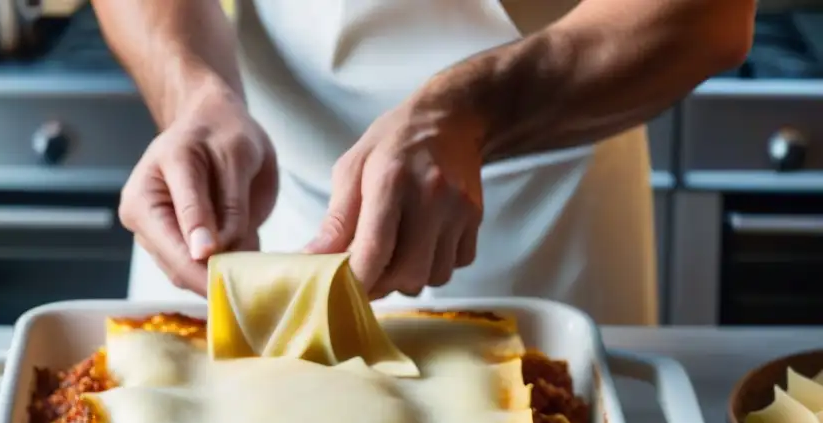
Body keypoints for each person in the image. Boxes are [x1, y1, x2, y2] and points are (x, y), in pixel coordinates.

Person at [93, 0, 754, 325]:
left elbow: (708, 16)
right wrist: (190, 91)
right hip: (250, 182)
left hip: (539, 206)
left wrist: (475, 111)